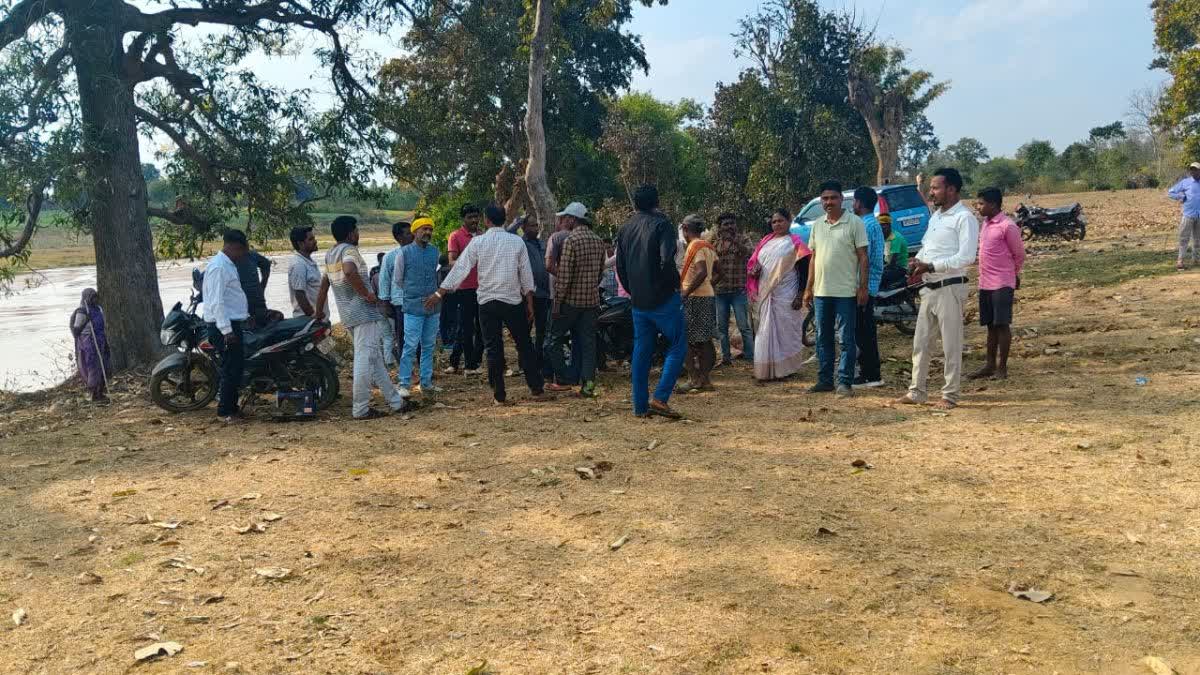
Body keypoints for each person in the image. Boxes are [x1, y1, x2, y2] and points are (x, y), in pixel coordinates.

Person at [425, 204, 547, 405]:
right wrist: (530, 304)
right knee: (524, 344)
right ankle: (536, 389)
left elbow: (460, 268)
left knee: (493, 348)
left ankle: (499, 395)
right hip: (512, 301)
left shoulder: (478, 242)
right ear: (504, 219)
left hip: (487, 302)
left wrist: (440, 292)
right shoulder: (517, 242)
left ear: (486, 220)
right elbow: (526, 276)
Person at [898, 168, 979, 409]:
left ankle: (950, 394)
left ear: (951, 189)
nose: (931, 192)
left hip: (950, 287)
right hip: (929, 287)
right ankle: (917, 391)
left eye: (935, 188)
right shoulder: (936, 217)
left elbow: (966, 257)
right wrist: (917, 262)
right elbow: (926, 248)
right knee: (921, 343)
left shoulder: (964, 218)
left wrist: (931, 265)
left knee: (951, 344)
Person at [320, 215, 406, 420]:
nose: (358, 234)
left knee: (374, 358)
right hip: (363, 313)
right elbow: (350, 271)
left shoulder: (331, 253)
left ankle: (396, 402)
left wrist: (317, 311)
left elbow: (325, 284)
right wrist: (367, 294)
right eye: (357, 230)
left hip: (347, 314)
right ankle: (360, 409)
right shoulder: (350, 250)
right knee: (364, 359)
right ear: (351, 233)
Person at [615, 185, 687, 419]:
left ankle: (639, 405)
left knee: (641, 351)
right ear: (657, 201)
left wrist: (632, 290)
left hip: (638, 301)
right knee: (677, 344)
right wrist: (675, 284)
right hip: (663, 298)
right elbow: (667, 260)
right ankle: (660, 398)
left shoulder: (625, 228)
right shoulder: (662, 224)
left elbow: (620, 266)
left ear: (635, 204)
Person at [802, 180, 869, 398]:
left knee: (846, 339)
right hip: (822, 292)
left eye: (833, 198)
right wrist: (808, 288)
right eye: (825, 199)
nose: (829, 202)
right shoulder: (818, 224)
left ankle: (844, 383)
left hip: (846, 292)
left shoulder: (854, 223)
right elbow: (813, 258)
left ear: (842, 199)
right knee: (823, 338)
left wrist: (863, 287)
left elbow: (863, 257)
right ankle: (824, 381)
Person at [546, 203, 606, 397]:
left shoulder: (572, 240)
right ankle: (588, 386)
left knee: (553, 339)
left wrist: (557, 303)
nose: (564, 221)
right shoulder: (598, 241)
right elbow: (599, 274)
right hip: (591, 302)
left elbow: (564, 276)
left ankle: (565, 377)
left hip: (570, 302)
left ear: (573, 219)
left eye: (566, 218)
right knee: (588, 344)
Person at [747, 208, 811, 382]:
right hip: (765, 292)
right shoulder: (765, 242)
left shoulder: (796, 243)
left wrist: (800, 295)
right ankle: (765, 369)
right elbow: (754, 264)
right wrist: (754, 270)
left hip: (787, 292)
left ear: (789, 221)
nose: (777, 224)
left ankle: (786, 369)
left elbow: (804, 271)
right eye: (774, 222)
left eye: (781, 221)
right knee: (763, 330)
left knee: (786, 330)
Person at [970, 187, 1025, 381]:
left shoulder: (1007, 226)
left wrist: (1013, 273)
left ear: (993, 204)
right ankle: (989, 364)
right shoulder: (985, 224)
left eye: (981, 203)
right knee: (990, 326)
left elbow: (1019, 254)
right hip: (985, 282)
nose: (978, 207)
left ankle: (1002, 368)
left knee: (1002, 325)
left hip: (1002, 282)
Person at [202, 229, 252, 422]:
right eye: (241, 251)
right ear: (234, 247)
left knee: (236, 367)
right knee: (230, 369)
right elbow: (217, 302)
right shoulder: (219, 267)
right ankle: (225, 411)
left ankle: (232, 406)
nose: (242, 256)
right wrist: (226, 330)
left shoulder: (227, 265)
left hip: (233, 323)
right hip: (224, 326)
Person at [393, 218, 442, 396]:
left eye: (430, 229)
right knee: (410, 345)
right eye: (424, 229)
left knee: (429, 345)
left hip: (433, 306)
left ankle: (426, 383)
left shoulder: (435, 251)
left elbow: (436, 276)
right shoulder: (404, 253)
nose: (428, 232)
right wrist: (415, 292)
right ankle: (404, 384)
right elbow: (398, 279)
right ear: (415, 231)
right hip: (413, 306)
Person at [546, 202, 586, 386]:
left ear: (569, 219)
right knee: (579, 337)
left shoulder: (556, 238)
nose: (559, 221)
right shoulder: (589, 238)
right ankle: (577, 374)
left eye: (561, 218)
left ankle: (561, 376)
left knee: (553, 337)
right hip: (583, 297)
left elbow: (548, 265)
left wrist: (564, 277)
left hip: (560, 295)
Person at [678, 214, 719, 392]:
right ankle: (705, 379)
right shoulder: (708, 246)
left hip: (695, 298)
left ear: (685, 228)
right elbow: (720, 272)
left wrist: (687, 292)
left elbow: (701, 271)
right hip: (706, 296)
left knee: (685, 339)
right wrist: (708, 285)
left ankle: (695, 378)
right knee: (705, 339)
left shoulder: (694, 246)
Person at [508, 216, 552, 380]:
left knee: (542, 331)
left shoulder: (542, 243)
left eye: (536, 226)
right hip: (526, 295)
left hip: (544, 294)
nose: (535, 228)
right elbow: (507, 233)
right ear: (524, 228)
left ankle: (539, 362)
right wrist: (517, 221)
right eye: (531, 226)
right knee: (524, 331)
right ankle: (524, 363)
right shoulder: (519, 242)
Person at [446, 204, 484, 375]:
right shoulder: (455, 236)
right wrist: (468, 261)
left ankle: (473, 361)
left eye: (476, 216)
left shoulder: (483, 236)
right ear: (464, 219)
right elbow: (451, 261)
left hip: (484, 287)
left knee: (483, 327)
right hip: (465, 288)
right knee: (466, 328)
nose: (474, 220)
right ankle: (468, 364)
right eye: (470, 217)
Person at [853, 187, 885, 388]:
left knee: (864, 332)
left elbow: (863, 259)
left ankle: (870, 374)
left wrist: (861, 287)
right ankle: (868, 372)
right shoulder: (872, 223)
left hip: (863, 286)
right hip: (869, 283)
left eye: (854, 201)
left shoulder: (864, 226)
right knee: (864, 330)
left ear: (859, 203)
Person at [713, 212, 754, 365]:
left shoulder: (743, 239)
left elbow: (751, 254)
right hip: (720, 291)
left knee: (744, 326)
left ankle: (750, 356)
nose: (730, 226)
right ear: (720, 227)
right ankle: (726, 358)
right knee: (722, 328)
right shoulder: (715, 243)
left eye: (732, 223)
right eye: (726, 224)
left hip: (739, 290)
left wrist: (735, 242)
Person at [378, 221, 414, 368]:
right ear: (399, 237)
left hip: (418, 299)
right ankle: (404, 364)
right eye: (408, 233)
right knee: (402, 334)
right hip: (400, 301)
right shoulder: (390, 257)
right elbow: (384, 280)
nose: (412, 235)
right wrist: (385, 303)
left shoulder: (420, 252)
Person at [69, 288, 111, 403]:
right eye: (93, 298)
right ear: (87, 298)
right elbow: (76, 331)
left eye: (96, 297)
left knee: (105, 366)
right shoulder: (82, 312)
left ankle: (101, 392)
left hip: (101, 340)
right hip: (89, 344)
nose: (95, 300)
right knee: (93, 368)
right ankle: (95, 395)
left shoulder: (98, 309)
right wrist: (86, 319)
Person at [287, 226, 324, 320]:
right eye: (311, 239)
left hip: (316, 320)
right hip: (308, 320)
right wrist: (313, 316)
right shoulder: (298, 264)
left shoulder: (307, 261)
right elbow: (299, 294)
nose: (315, 241)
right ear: (300, 244)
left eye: (314, 238)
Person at [1168, 162, 1200, 270]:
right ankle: (1180, 261)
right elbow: (1170, 192)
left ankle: (1195, 259)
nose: (1193, 171)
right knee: (1184, 238)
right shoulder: (1185, 182)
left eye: (1195, 169)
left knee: (1198, 239)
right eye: (1192, 169)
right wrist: (1180, 196)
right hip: (1188, 215)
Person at [233, 244, 272, 326]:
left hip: (257, 301)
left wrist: (262, 286)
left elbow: (266, 264)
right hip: (238, 306)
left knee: (264, 328)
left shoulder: (251, 255)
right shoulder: (226, 261)